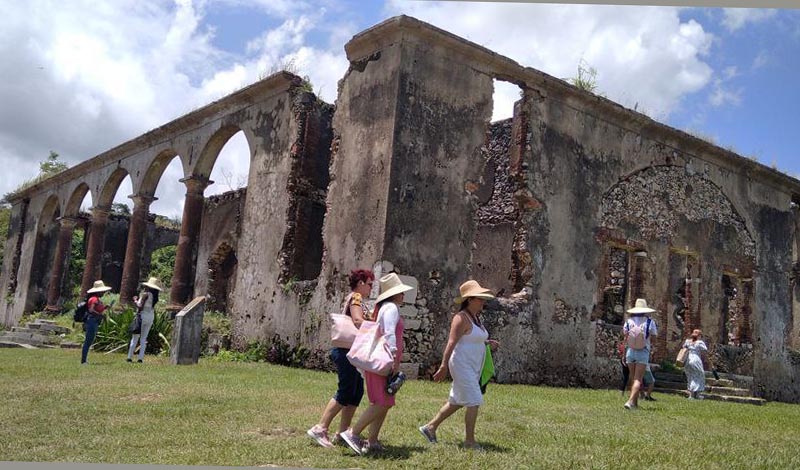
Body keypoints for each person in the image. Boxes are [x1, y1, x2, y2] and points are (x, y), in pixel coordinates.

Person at [419, 280, 498, 450]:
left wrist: (487, 343)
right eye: (480, 298)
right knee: (474, 400)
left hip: (473, 365)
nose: (483, 302)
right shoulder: (460, 318)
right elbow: (451, 342)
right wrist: (443, 366)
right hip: (461, 365)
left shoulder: (476, 318)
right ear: (470, 299)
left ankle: (430, 427)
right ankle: (469, 441)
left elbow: (472, 340)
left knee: (457, 401)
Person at [340, 273, 413, 455]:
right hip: (383, 360)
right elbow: (388, 332)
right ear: (393, 294)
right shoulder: (391, 308)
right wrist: (394, 356)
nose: (403, 295)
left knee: (385, 401)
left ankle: (372, 440)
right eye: (400, 292)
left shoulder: (384, 307)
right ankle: (353, 433)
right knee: (381, 401)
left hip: (378, 360)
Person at [307, 269, 374, 448]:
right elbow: (358, 321)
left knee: (356, 391)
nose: (371, 288)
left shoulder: (357, 298)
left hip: (351, 353)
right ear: (360, 283)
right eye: (369, 284)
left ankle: (343, 432)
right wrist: (376, 327)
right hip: (347, 352)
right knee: (346, 391)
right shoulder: (356, 298)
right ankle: (320, 428)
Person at [622, 298, 658, 410]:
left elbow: (625, 338)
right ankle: (630, 401)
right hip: (643, 351)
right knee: (638, 379)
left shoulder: (628, 322)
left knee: (633, 379)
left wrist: (623, 354)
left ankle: (635, 404)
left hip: (630, 351)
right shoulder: (649, 322)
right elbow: (654, 337)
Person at [127, 277, 162, 363]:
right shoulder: (155, 296)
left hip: (142, 316)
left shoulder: (145, 294)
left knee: (135, 337)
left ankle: (129, 357)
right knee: (143, 338)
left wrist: (135, 300)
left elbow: (140, 306)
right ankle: (140, 358)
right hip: (150, 316)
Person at [81, 280, 113, 365]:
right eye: (102, 291)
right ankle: (83, 361)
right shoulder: (94, 299)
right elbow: (91, 310)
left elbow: (97, 309)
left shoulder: (96, 299)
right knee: (88, 341)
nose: (103, 292)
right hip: (92, 321)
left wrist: (105, 307)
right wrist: (100, 315)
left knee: (89, 340)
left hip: (94, 321)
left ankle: (84, 360)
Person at [683, 329, 708, 399]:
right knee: (700, 375)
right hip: (696, 359)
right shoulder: (700, 342)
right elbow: (705, 351)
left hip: (688, 359)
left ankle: (693, 394)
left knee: (690, 376)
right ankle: (695, 395)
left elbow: (683, 348)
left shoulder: (687, 342)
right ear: (699, 336)